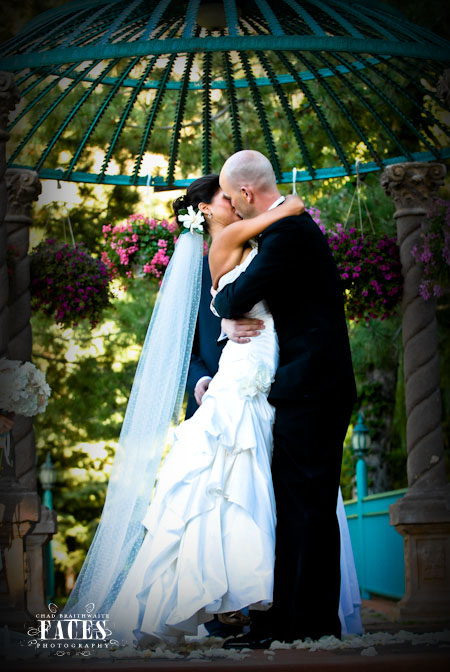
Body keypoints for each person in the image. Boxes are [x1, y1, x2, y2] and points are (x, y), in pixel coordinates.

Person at [65, 173, 361, 649]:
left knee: (276, 496)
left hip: (278, 381)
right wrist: (283, 211)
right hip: (250, 380)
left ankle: (280, 609)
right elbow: (218, 310)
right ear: (208, 208)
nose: (232, 204)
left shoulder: (265, 240)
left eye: (233, 195)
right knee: (238, 486)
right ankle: (257, 608)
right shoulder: (238, 235)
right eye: (224, 197)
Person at [213, 150, 358, 647]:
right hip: (311, 387)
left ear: (247, 195)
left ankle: (308, 624)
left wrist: (226, 312)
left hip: (312, 388)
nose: (232, 208)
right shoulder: (288, 230)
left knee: (306, 507)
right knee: (299, 506)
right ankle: (296, 620)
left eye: (232, 199)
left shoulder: (286, 236)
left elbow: (234, 299)